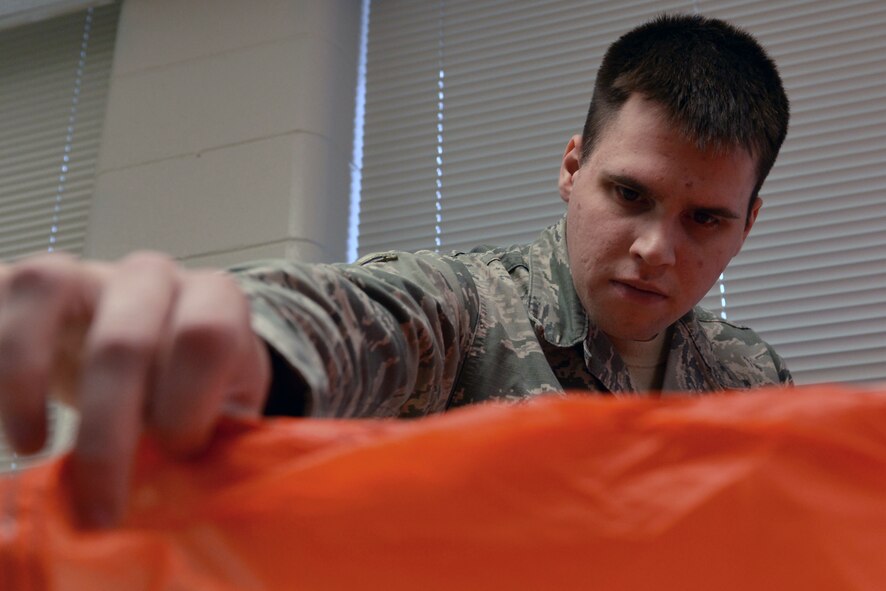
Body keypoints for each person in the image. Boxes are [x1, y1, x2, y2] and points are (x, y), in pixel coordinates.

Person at [0, 14, 791, 528]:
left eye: (705, 219)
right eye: (629, 193)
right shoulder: (465, 308)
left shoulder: (753, 381)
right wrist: (239, 345)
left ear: (748, 223)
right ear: (573, 168)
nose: (657, 247)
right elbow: (352, 318)